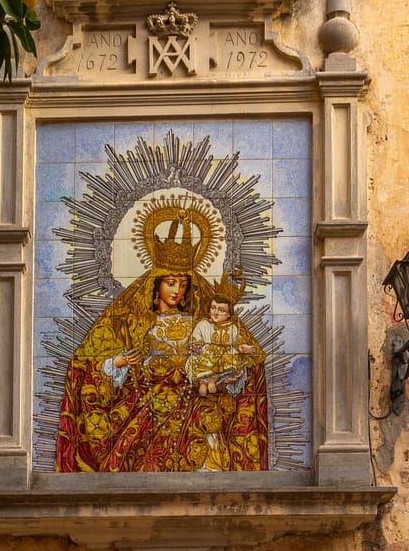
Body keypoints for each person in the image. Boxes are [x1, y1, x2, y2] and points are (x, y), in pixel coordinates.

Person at [55, 200, 268, 473]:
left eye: (182, 284)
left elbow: (241, 358)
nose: (177, 291)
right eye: (170, 283)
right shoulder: (133, 322)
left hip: (195, 409)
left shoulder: (203, 322)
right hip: (146, 410)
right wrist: (118, 363)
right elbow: (86, 366)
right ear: (156, 286)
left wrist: (235, 372)